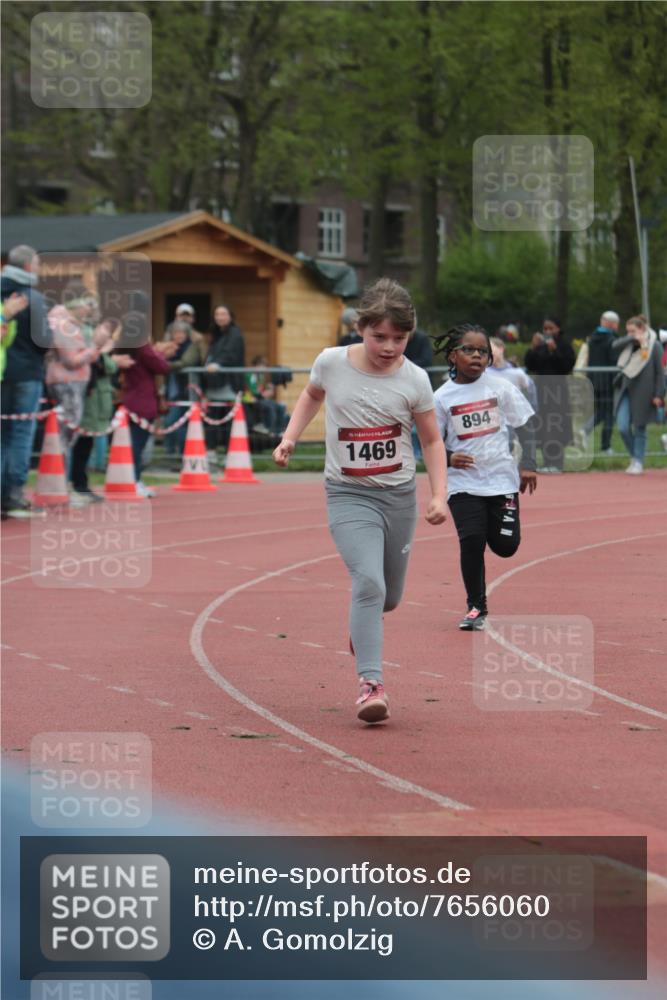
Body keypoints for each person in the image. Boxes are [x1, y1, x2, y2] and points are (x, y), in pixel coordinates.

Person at [273, 277, 447, 724]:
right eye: (379, 336)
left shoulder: (415, 379)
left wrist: (438, 495)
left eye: (399, 338)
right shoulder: (331, 362)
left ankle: (362, 626)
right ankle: (371, 684)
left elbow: (431, 441)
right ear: (359, 328)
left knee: (388, 596)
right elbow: (312, 394)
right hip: (348, 493)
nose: (389, 347)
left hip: (398, 496)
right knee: (368, 583)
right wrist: (290, 437)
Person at [433, 323, 538, 631]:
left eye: (483, 351)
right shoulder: (441, 397)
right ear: (453, 356)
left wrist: (528, 464)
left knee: (506, 546)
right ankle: (476, 606)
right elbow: (429, 443)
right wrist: (449, 457)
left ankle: (496, 532)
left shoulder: (500, 387)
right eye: (469, 350)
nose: (477, 356)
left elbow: (526, 426)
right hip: (463, 483)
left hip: (501, 480)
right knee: (472, 540)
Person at [1, 245, 50, 518]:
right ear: (29, 266)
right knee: (21, 433)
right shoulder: (33, 298)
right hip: (26, 373)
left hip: (3, 372)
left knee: (2, 434)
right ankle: (14, 493)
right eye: (39, 264)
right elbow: (43, 341)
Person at [69, 321, 134, 503]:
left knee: (86, 444)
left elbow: (106, 366)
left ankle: (81, 484)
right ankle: (78, 485)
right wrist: (109, 357)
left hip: (97, 402)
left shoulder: (96, 351)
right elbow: (106, 366)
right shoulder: (89, 349)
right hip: (90, 402)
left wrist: (108, 357)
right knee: (81, 445)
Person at [611, 314, 665, 475]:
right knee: (622, 427)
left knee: (640, 427)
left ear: (642, 329)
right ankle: (635, 456)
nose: (630, 334)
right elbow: (614, 345)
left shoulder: (655, 346)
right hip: (625, 389)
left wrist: (659, 394)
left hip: (644, 392)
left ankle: (638, 462)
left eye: (633, 331)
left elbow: (659, 373)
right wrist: (631, 338)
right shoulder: (628, 344)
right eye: (627, 331)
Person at [524, 316, 575, 473]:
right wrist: (533, 348)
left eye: (551, 328)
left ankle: (557, 463)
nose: (547, 331)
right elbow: (530, 365)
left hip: (557, 392)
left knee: (556, 426)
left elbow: (567, 366)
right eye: (545, 328)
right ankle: (547, 462)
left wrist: (555, 351)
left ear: (558, 329)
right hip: (541, 390)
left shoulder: (564, 346)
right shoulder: (540, 346)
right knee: (542, 426)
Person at [203, 305, 245, 454]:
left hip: (229, 384)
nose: (220, 317)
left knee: (229, 420)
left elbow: (230, 354)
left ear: (230, 316)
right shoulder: (216, 334)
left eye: (223, 314)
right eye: (217, 314)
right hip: (214, 384)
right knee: (212, 419)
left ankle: (231, 452)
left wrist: (218, 364)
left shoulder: (235, 333)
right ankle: (212, 451)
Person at [577, 310, 620, 455]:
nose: (617, 326)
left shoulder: (592, 338)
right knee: (609, 414)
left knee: (601, 411)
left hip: (594, 380)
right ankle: (605, 446)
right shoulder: (612, 340)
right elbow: (614, 361)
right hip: (608, 381)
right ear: (612, 324)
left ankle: (585, 430)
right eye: (616, 324)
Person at [404, 327, 434, 461]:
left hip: (419, 386)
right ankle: (413, 451)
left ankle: (420, 452)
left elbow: (427, 359)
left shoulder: (422, 338)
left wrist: (404, 366)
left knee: (422, 421)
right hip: (402, 385)